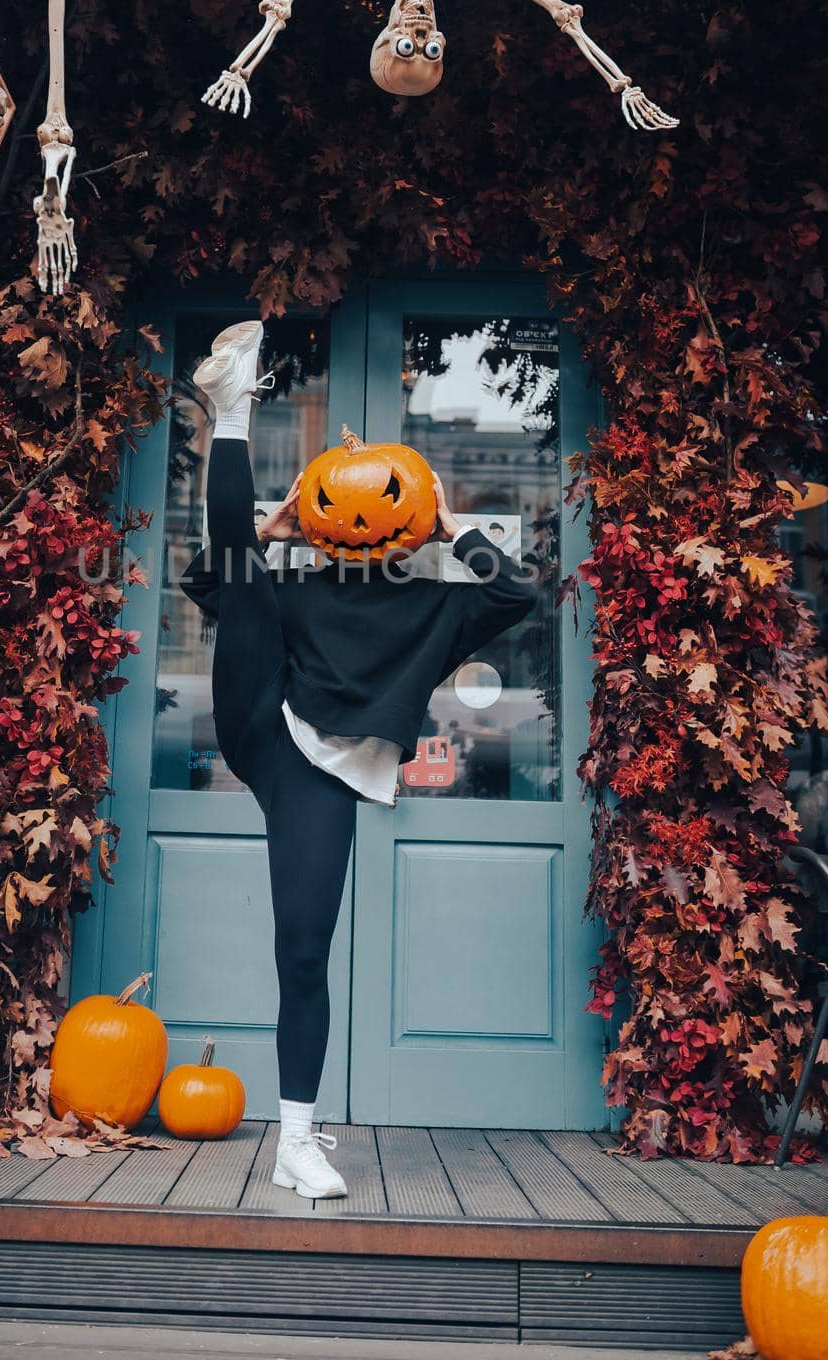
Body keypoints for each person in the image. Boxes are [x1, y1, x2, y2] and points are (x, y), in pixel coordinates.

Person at [179, 320, 538, 1198]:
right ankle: (230, 414)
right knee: (240, 576)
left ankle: (294, 1139)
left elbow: (512, 590)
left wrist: (448, 521)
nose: (356, 514)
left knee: (304, 949)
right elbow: (206, 578)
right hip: (262, 712)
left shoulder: (432, 607)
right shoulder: (292, 579)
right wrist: (277, 520)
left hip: (320, 766)